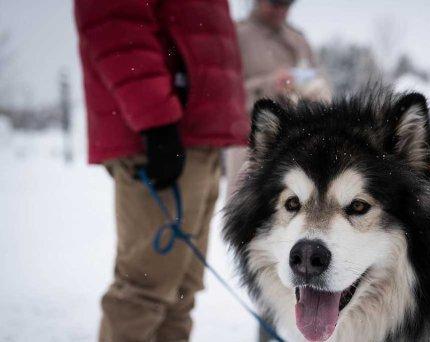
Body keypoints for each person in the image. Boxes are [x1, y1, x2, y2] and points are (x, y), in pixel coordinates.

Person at [74, 0, 247, 340]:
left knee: (182, 292)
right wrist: (156, 121)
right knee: (145, 291)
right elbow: (114, 21)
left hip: (200, 136)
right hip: (165, 137)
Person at [225, 0, 331, 200]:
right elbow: (225, 93)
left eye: (287, 4)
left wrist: (315, 90)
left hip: (296, 140)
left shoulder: (298, 39)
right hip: (246, 138)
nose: (281, 10)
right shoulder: (237, 36)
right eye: (274, 4)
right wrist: (272, 84)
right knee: (243, 205)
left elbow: (319, 79)